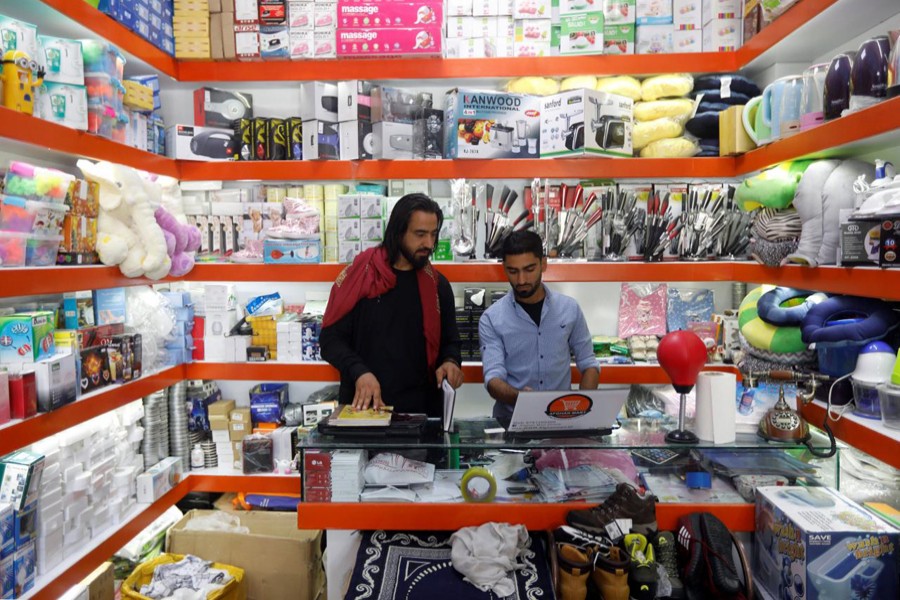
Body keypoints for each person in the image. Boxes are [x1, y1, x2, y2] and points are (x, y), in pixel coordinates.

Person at [320, 193, 463, 417]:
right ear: (398, 232)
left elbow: (451, 342)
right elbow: (330, 340)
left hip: (421, 417)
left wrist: (450, 362)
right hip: (364, 412)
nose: (429, 243)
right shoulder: (360, 277)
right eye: (420, 234)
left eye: (433, 235)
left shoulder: (436, 285)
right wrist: (359, 372)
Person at [479, 230, 600, 422]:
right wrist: (521, 398)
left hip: (563, 419)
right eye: (513, 271)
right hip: (511, 421)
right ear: (504, 268)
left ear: (543, 264)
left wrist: (583, 410)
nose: (521, 280)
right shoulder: (491, 319)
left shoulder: (570, 309)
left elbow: (589, 364)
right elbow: (493, 379)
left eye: (529, 269)